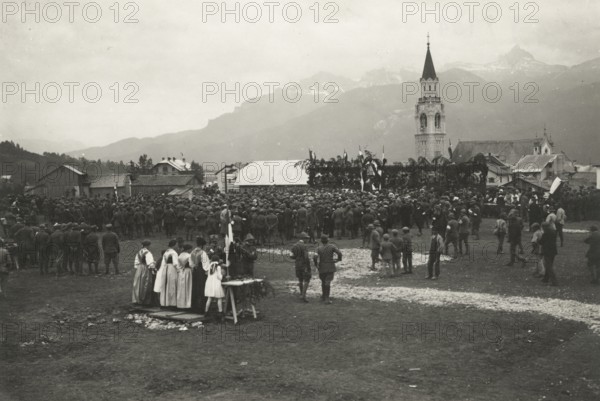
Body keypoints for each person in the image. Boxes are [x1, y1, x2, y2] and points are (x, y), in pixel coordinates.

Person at [312, 234, 342, 304]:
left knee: (323, 281)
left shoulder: (318, 248)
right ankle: (327, 298)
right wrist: (339, 259)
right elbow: (339, 253)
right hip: (330, 266)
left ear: (321, 241)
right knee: (328, 282)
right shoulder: (332, 246)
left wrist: (316, 264)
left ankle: (323, 295)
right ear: (328, 240)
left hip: (322, 266)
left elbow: (315, 257)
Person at [156, 240, 180, 307]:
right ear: (174, 245)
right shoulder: (173, 252)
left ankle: (164, 302)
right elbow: (175, 263)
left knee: (165, 285)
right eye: (176, 245)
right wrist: (179, 270)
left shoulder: (166, 252)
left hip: (165, 268)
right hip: (172, 268)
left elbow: (163, 263)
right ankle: (172, 303)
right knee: (172, 285)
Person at [190, 237, 210, 312]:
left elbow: (191, 263)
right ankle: (202, 307)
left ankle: (194, 306)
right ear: (202, 245)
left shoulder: (192, 252)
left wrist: (194, 266)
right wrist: (207, 272)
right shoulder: (203, 253)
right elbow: (205, 265)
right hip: (201, 271)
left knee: (195, 288)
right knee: (202, 288)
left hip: (195, 270)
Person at [132, 240, 156, 305]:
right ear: (148, 245)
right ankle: (144, 300)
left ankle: (137, 299)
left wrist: (138, 268)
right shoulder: (147, 253)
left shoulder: (139, 252)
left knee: (138, 283)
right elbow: (150, 263)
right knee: (146, 283)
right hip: (145, 268)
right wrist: (153, 268)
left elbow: (136, 262)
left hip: (139, 268)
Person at [290, 232, 312, 302]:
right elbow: (306, 257)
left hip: (297, 264)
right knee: (307, 279)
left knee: (300, 279)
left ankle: (301, 294)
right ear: (303, 238)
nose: (307, 240)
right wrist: (308, 266)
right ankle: (303, 295)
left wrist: (297, 258)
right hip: (304, 265)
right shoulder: (304, 246)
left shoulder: (294, 246)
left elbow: (291, 256)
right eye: (306, 238)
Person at [205, 254, 225, 321]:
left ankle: (206, 311)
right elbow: (219, 277)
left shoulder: (209, 266)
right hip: (216, 283)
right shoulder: (218, 267)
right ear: (218, 260)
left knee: (209, 298)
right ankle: (220, 312)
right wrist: (222, 275)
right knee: (219, 298)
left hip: (209, 283)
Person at [538, 222, 558, 286]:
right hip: (553, 250)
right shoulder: (554, 232)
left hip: (547, 250)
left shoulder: (546, 233)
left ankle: (554, 281)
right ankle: (546, 278)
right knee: (549, 264)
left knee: (548, 266)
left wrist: (538, 240)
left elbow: (541, 242)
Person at [177, 244, 194, 309]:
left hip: (181, 271)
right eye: (190, 249)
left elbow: (178, 265)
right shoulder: (189, 256)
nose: (191, 250)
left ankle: (180, 304)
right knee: (187, 287)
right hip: (187, 271)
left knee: (181, 287)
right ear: (188, 249)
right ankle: (187, 304)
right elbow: (191, 264)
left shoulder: (180, 255)